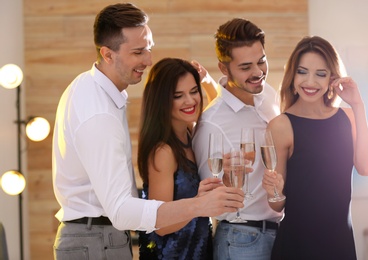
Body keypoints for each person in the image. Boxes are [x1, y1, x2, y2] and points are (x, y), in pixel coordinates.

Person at [51, 3, 244, 259]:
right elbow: (120, 211)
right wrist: (199, 205)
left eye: (149, 49)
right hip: (95, 241)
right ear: (108, 54)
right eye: (139, 52)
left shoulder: (95, 90)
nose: (149, 60)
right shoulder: (98, 112)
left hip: (97, 237)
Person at [262, 36, 368, 259]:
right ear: (292, 75)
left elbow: (366, 168)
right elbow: (277, 206)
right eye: (302, 72)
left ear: (332, 78)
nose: (310, 82)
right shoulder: (280, 126)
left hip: (340, 243)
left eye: (320, 74)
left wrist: (358, 104)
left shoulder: (349, 117)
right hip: (297, 246)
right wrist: (273, 190)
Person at [192, 18, 283, 260]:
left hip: (280, 232)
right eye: (245, 67)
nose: (257, 73)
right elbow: (206, 198)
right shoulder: (211, 123)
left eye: (261, 61)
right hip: (242, 239)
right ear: (224, 68)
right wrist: (225, 179)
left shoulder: (269, 97)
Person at [137, 57, 218, 259]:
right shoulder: (163, 151)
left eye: (193, 91)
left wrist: (207, 81)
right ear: (162, 100)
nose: (190, 101)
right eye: (178, 95)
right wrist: (200, 202)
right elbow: (160, 224)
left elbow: (219, 106)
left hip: (198, 251)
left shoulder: (192, 132)